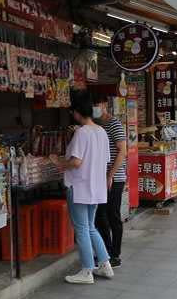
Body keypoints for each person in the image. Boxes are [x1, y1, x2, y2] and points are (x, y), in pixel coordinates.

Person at [50, 97, 114, 284]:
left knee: (82, 229)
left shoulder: (81, 133)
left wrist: (59, 162)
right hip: (95, 187)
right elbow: (105, 159)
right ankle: (105, 264)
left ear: (77, 113)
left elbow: (76, 162)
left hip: (79, 187)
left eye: (73, 112)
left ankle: (87, 270)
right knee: (90, 227)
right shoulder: (101, 131)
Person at [92, 96, 126, 268]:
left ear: (105, 105)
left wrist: (110, 175)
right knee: (100, 215)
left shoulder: (114, 124)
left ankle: (115, 255)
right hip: (101, 177)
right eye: (93, 106)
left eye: (97, 104)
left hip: (115, 178)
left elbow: (122, 151)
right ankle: (106, 251)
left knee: (113, 216)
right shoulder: (96, 124)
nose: (95, 108)